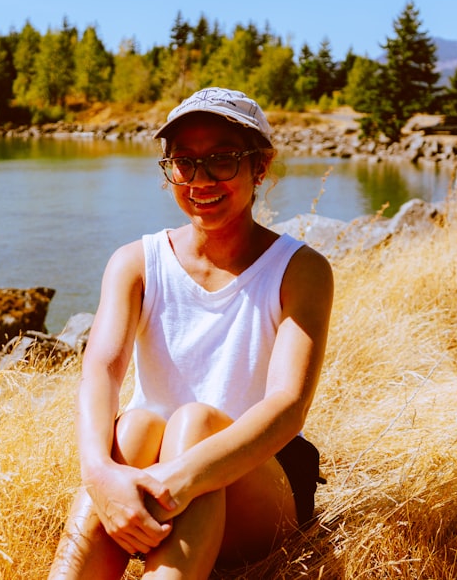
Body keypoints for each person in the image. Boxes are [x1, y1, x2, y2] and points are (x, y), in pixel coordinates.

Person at [48, 87, 333, 579]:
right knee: (135, 427)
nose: (201, 179)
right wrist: (100, 475)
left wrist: (175, 481)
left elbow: (288, 408)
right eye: (184, 162)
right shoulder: (136, 263)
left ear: (259, 167)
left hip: (261, 487)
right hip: (156, 477)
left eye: (223, 159)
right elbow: (100, 370)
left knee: (196, 422)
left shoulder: (299, 269)